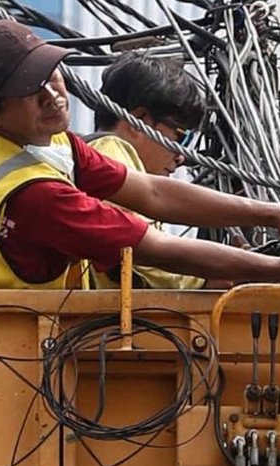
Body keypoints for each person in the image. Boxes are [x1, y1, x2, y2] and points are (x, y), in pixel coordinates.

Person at [0, 20, 280, 292]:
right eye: (30, 90)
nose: (52, 94)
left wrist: (278, 215)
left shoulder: (43, 143)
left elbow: (151, 192)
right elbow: (151, 248)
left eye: (51, 73)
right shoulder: (34, 194)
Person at [87, 53, 208, 290]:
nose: (181, 156)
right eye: (180, 137)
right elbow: (143, 255)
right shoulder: (109, 152)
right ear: (138, 121)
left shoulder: (95, 156)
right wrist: (207, 277)